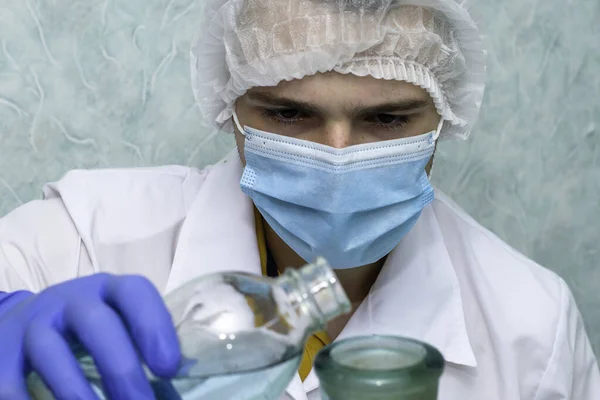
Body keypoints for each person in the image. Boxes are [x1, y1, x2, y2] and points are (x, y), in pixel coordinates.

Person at [0, 0, 598, 399]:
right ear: (230, 107)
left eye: (388, 119)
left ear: (444, 116)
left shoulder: (532, 329)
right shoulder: (74, 243)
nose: (337, 156)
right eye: (289, 114)